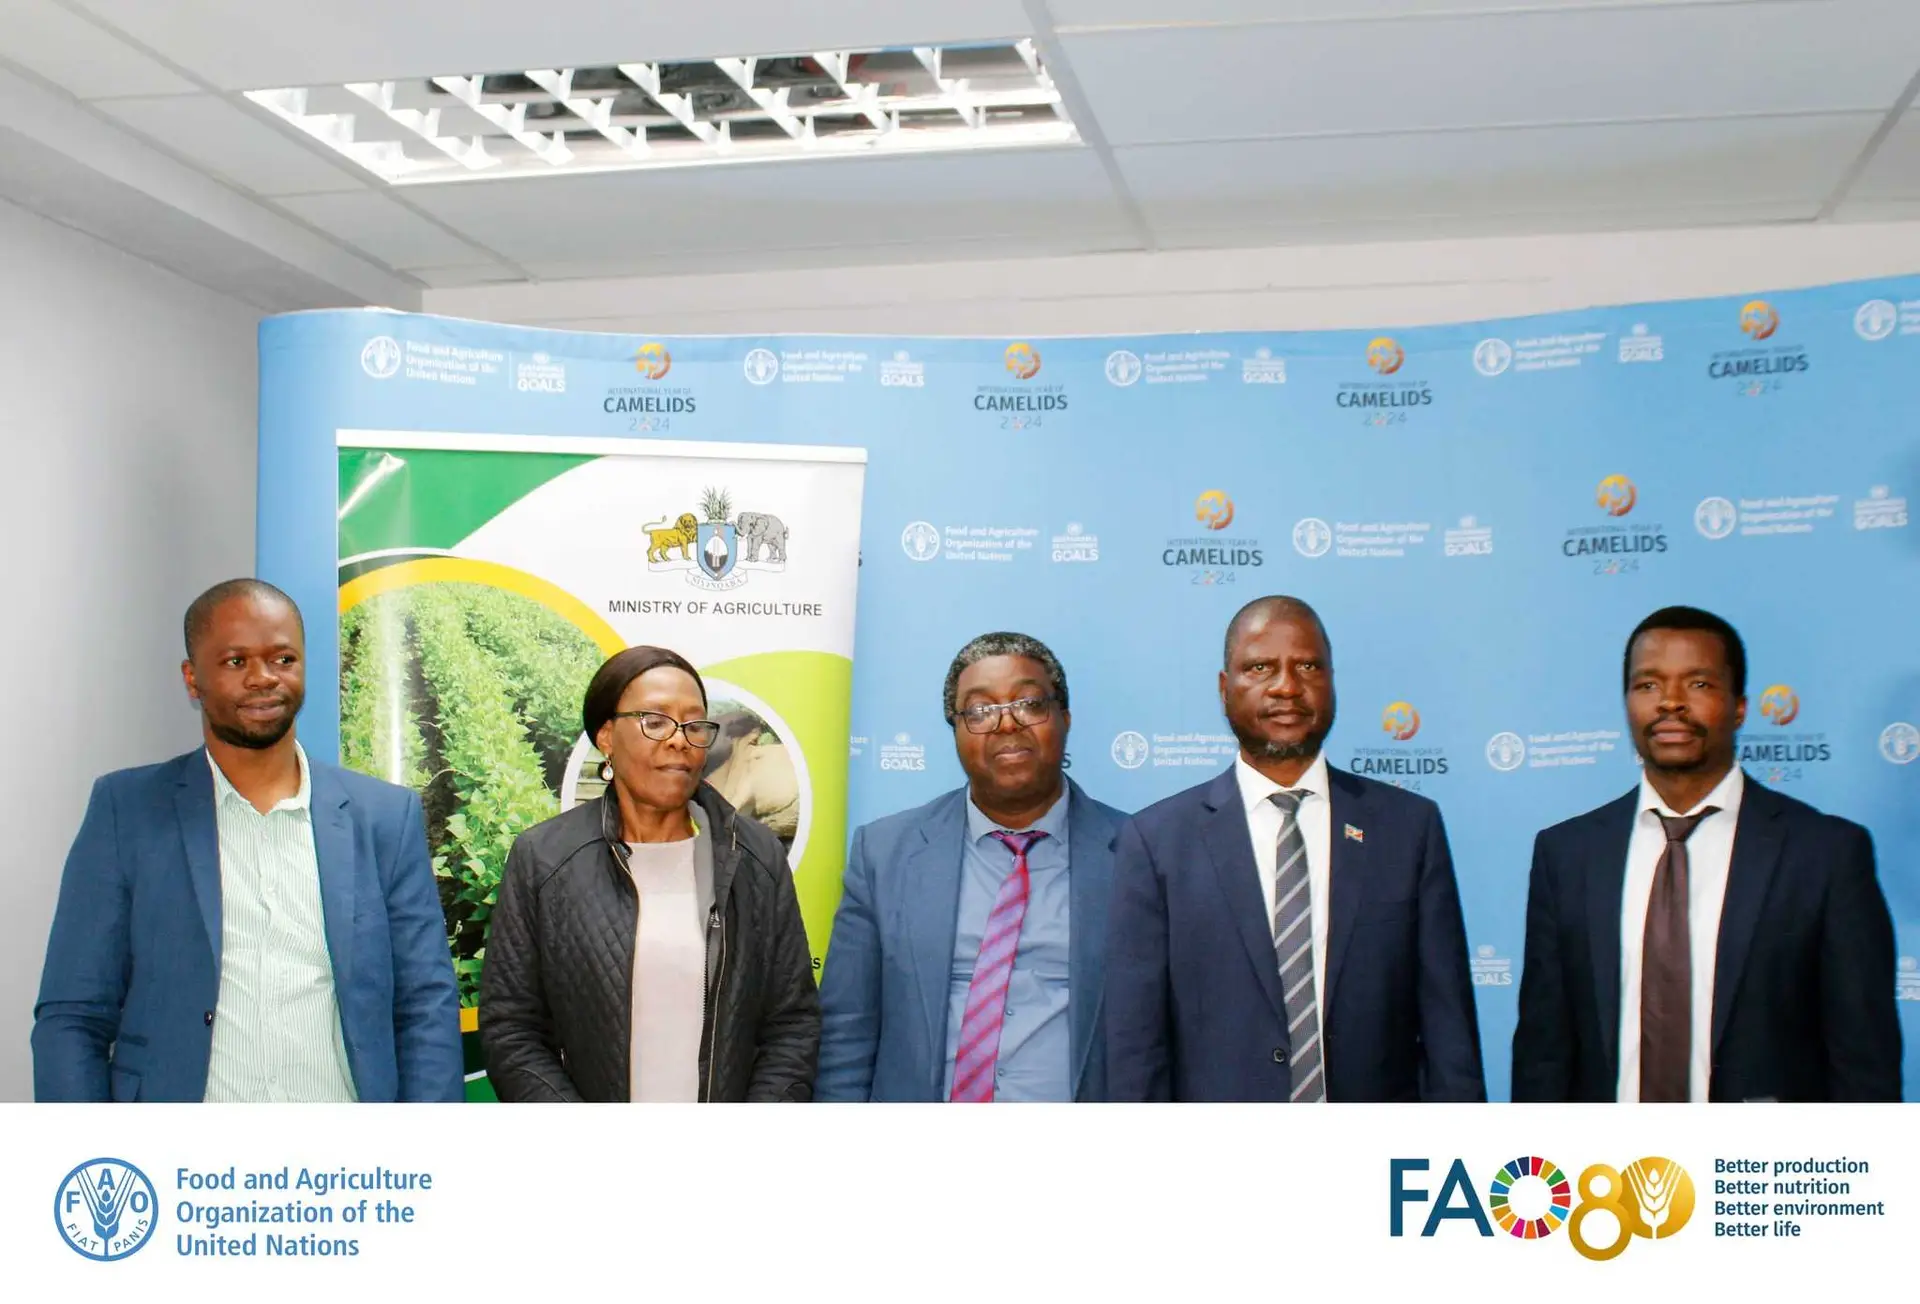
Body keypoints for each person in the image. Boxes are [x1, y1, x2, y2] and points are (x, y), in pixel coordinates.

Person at [33, 579, 462, 1102]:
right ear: (193, 678)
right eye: (236, 661)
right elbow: (73, 1015)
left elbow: (425, 1004)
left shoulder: (384, 818)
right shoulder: (128, 810)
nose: (263, 678)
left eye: (283, 659)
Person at [1512, 606, 1901, 1102]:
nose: (1670, 702)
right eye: (1648, 684)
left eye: (1698, 684)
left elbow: (1863, 1064)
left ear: (1739, 707)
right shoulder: (1567, 854)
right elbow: (1543, 1054)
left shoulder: (1826, 854)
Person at [1106, 596, 1485, 1102]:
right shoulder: (1157, 842)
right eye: (1260, 667)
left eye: (1307, 666)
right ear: (1224, 688)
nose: (1286, 686)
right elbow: (1135, 1048)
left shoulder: (1408, 828)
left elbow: (1448, 1031)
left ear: (1332, 682)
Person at [481, 645, 818, 1101]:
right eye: (655, 722)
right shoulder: (544, 859)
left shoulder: (755, 856)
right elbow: (512, 1029)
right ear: (606, 736)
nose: (679, 740)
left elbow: (792, 1025)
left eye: (694, 725)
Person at [816, 632, 1127, 1102]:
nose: (1006, 724)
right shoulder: (884, 854)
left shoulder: (1136, 853)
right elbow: (846, 1033)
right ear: (956, 731)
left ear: (1064, 718)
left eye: (1028, 703)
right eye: (980, 710)